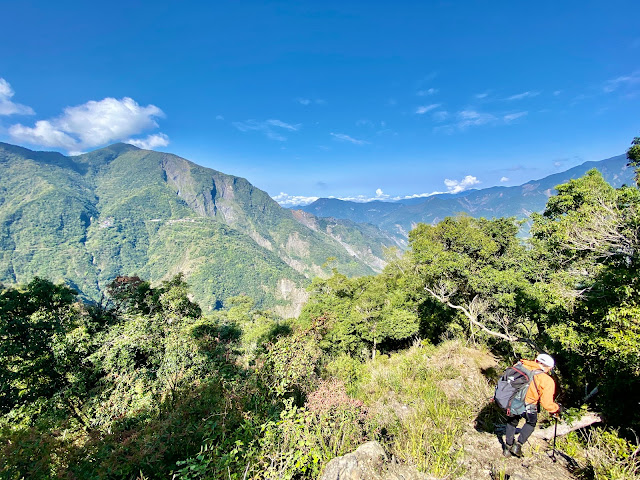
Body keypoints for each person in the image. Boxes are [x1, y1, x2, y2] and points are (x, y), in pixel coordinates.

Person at [504, 353, 562, 458]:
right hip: (529, 405)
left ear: (536, 361)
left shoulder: (519, 366)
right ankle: (518, 445)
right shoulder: (547, 380)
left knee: (511, 423)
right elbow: (546, 403)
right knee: (531, 423)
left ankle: (507, 448)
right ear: (548, 367)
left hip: (512, 401)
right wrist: (556, 409)